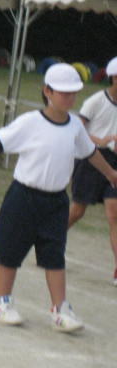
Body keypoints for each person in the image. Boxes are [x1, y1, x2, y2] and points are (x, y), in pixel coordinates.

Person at [0, 63, 117, 333]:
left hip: (56, 202)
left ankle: (60, 309)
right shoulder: (31, 122)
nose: (70, 97)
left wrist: (111, 173)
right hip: (24, 197)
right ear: (47, 91)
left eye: (73, 92)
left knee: (55, 256)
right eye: (64, 92)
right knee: (10, 252)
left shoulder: (75, 126)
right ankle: (2, 302)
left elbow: (90, 152)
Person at [68, 56, 117, 286]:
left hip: (114, 163)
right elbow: (78, 130)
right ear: (114, 77)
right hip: (91, 159)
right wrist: (103, 140)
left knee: (114, 214)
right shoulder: (96, 101)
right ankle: (48, 241)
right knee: (78, 210)